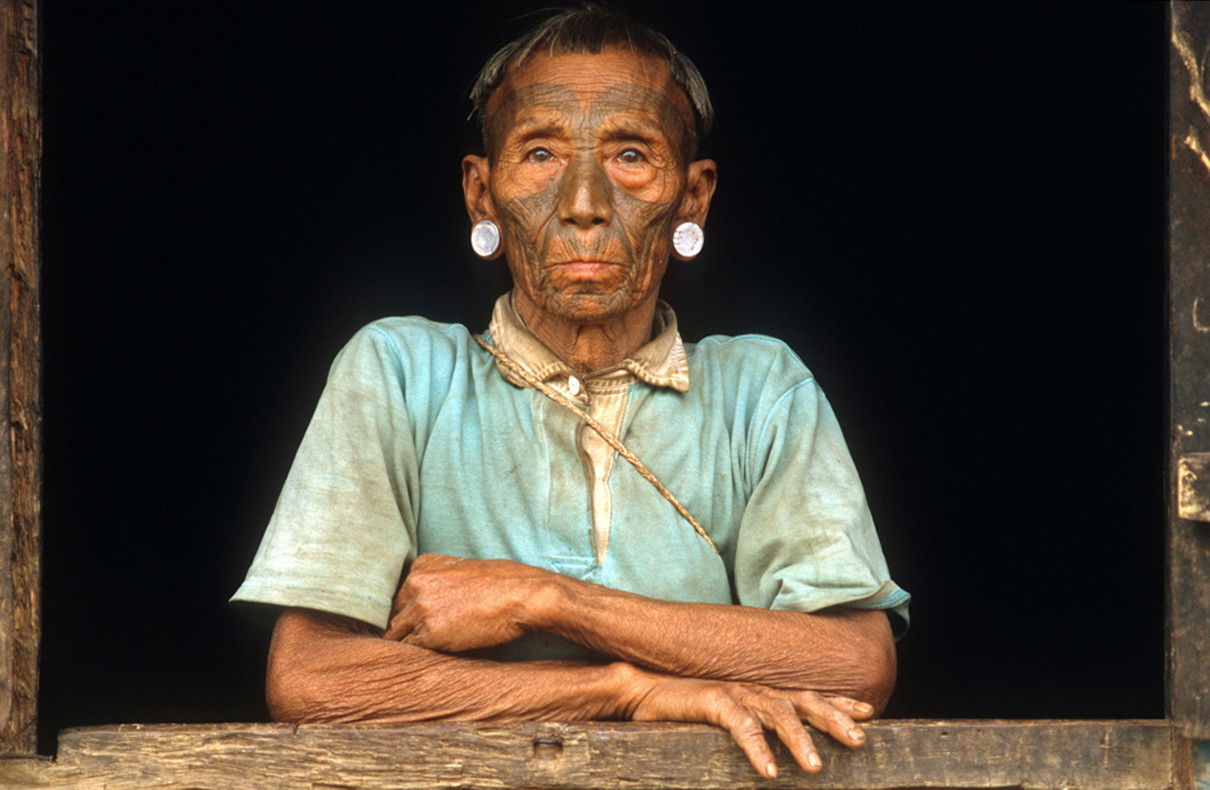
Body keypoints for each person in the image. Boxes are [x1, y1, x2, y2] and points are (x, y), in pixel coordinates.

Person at [232, 6, 909, 779]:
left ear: (693, 197)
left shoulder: (762, 390)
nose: (584, 201)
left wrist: (548, 601)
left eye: (630, 154)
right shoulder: (397, 373)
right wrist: (622, 691)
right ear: (481, 194)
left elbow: (855, 664)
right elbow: (312, 679)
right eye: (541, 153)